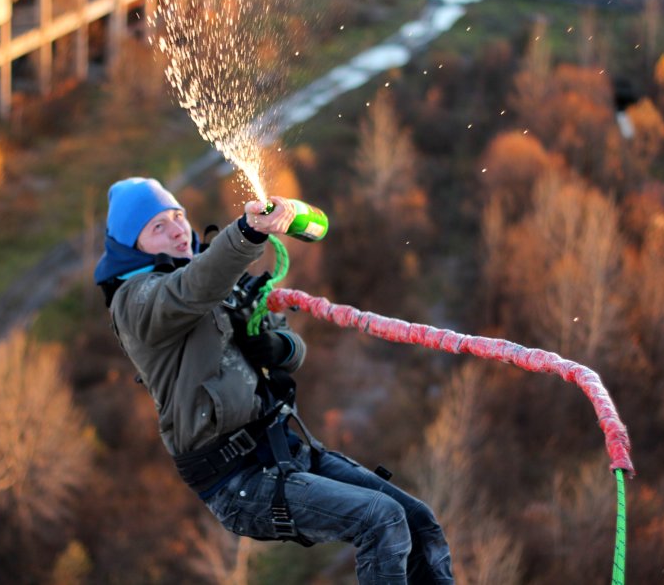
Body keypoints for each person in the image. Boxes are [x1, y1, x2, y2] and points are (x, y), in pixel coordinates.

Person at [95, 177, 454, 584]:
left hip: (285, 449)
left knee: (418, 521)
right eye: (158, 226)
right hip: (236, 481)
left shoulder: (216, 276)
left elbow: (293, 347)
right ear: (132, 246)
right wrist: (246, 232)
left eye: (177, 216)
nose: (178, 229)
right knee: (380, 518)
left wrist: (277, 346)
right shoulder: (134, 300)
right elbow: (189, 291)